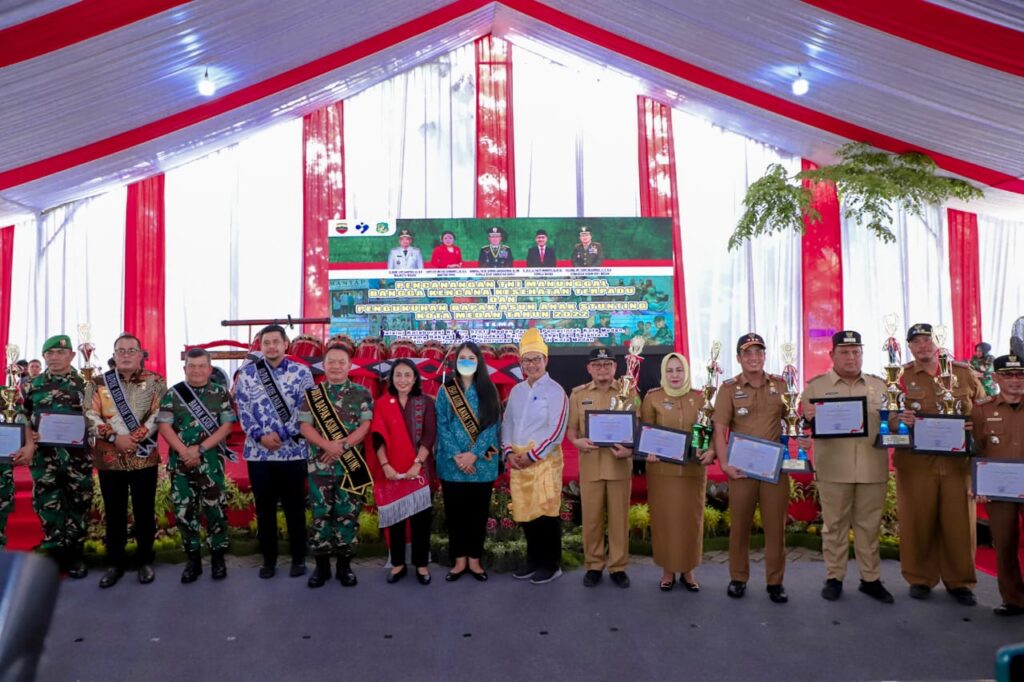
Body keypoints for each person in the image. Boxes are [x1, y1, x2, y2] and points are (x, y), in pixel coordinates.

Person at [799, 331, 894, 603]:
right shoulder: (815, 388)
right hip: (833, 468)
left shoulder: (881, 386)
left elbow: (892, 424)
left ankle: (870, 579)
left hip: (871, 468)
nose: (851, 357)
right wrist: (807, 421)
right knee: (834, 526)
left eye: (856, 352)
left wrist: (903, 421)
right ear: (832, 355)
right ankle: (834, 577)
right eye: (844, 352)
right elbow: (805, 427)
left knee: (869, 527)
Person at [896, 323, 984, 605]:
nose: (923, 345)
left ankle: (960, 582)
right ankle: (919, 579)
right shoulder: (901, 376)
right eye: (916, 342)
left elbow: (983, 408)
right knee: (917, 523)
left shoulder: (963, 373)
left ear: (937, 342)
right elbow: (888, 416)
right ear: (910, 347)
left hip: (957, 465)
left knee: (960, 525)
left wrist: (975, 425)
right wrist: (901, 420)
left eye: (927, 340)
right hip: (916, 464)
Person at [713, 332, 789, 603]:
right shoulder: (728, 389)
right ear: (739, 358)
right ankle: (738, 578)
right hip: (741, 470)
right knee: (740, 527)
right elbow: (719, 429)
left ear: (764, 355)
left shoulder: (781, 385)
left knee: (775, 529)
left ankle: (775, 582)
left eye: (758, 351)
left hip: (774, 470)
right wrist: (724, 464)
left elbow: (793, 421)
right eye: (747, 353)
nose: (754, 357)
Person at [234, 324, 314, 579]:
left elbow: (306, 407)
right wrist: (260, 436)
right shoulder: (247, 374)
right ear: (260, 346)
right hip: (259, 455)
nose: (271, 347)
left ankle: (299, 559)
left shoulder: (302, 372)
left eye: (275, 342)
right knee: (265, 509)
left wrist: (282, 434)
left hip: (292, 453)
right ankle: (269, 561)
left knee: (295, 508)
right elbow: (242, 408)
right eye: (266, 343)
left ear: (285, 344)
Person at [86, 333, 167, 588]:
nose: (126, 354)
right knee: (114, 512)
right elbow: (89, 415)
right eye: (120, 350)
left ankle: (144, 560)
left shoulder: (156, 381)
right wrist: (114, 437)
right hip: (109, 457)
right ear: (114, 355)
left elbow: (159, 414)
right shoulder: (97, 383)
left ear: (141, 354)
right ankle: (115, 563)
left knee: (144, 511)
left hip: (143, 456)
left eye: (131, 350)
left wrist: (135, 437)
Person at [12, 335, 90, 576]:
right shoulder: (31, 385)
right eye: (50, 353)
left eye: (60, 352)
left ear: (72, 356)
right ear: (44, 356)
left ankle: (75, 554)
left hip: (77, 458)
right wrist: (29, 440)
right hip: (44, 458)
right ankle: (54, 554)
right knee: (47, 503)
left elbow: (97, 416)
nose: (54, 357)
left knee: (78, 503)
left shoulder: (86, 384)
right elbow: (22, 415)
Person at [156, 348, 236, 583]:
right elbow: (164, 426)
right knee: (184, 511)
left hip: (210, 463)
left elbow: (227, 426)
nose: (197, 370)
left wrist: (199, 449)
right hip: (181, 463)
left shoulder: (220, 393)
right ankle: (193, 560)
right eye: (192, 366)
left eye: (202, 366)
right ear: (185, 368)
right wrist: (185, 451)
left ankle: (218, 558)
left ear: (210, 369)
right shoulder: (174, 393)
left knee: (215, 510)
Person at [298, 343, 372, 588]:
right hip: (319, 466)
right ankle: (321, 568)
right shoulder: (313, 395)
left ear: (350, 365)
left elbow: (365, 426)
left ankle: (344, 567)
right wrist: (327, 445)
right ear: (324, 365)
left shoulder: (362, 393)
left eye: (342, 362)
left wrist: (342, 446)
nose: (336, 366)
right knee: (320, 516)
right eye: (331, 361)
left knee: (348, 516)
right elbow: (304, 426)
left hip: (351, 466)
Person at [640, 353, 714, 592]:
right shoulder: (653, 398)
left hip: (692, 472)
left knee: (691, 522)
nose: (674, 375)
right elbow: (646, 431)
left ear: (686, 372)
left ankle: (689, 570)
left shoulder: (700, 398)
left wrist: (708, 450)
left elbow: (708, 431)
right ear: (663, 373)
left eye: (679, 370)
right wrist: (648, 450)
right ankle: (667, 571)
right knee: (665, 521)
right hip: (662, 472)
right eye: (670, 370)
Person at [566, 347, 637, 588]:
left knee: (619, 520)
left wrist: (630, 450)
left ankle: (618, 567)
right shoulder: (578, 395)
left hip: (619, 466)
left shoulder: (629, 392)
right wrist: (577, 442)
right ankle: (594, 565)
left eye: (607, 365)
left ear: (615, 367)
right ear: (589, 368)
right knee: (592, 520)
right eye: (597, 365)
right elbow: (571, 431)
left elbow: (638, 427)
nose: (602, 369)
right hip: (591, 465)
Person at [503, 329, 568, 585]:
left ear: (546, 360)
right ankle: (533, 560)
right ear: (521, 363)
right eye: (526, 360)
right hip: (519, 462)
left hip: (544, 462)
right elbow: (507, 423)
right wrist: (509, 452)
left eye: (536, 359)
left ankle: (551, 564)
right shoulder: (517, 391)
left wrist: (533, 455)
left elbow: (557, 430)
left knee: (545, 512)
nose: (531, 365)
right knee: (525, 510)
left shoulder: (556, 391)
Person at [435, 341, 501, 581]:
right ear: (455, 361)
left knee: (477, 515)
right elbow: (442, 425)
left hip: (482, 464)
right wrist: (458, 455)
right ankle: (459, 560)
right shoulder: (446, 390)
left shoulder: (489, 389)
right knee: (455, 516)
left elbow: (493, 425)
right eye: (462, 357)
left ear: (479, 362)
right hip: (452, 465)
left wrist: (473, 454)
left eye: (471, 358)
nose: (466, 361)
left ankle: (474, 560)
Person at [369, 358, 436, 585]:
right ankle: (398, 564)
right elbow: (377, 437)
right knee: (395, 519)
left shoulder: (425, 402)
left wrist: (417, 463)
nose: (403, 379)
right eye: (398, 375)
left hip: (419, 470)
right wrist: (385, 465)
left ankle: (422, 565)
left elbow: (429, 435)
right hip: (391, 471)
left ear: (415, 378)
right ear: (391, 378)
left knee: (421, 520)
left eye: (408, 375)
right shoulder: (382, 403)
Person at [971, 354, 1024, 616]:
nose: (1015, 380)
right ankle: (1013, 600)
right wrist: (979, 484)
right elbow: (976, 450)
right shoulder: (982, 409)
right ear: (995, 378)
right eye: (1008, 375)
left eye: (1020, 374)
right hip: (1000, 490)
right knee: (1004, 545)